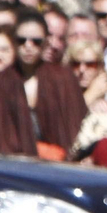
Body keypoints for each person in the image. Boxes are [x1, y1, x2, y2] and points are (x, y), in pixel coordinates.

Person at [15, 9, 86, 160]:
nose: (28, 46)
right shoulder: (3, 81)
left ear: (44, 42)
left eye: (36, 41)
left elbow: (76, 128)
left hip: (57, 164)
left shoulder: (63, 78)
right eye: (21, 40)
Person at [66, 39, 107, 109]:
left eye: (90, 65)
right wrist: (91, 94)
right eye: (76, 64)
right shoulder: (60, 94)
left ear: (101, 67)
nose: (81, 70)